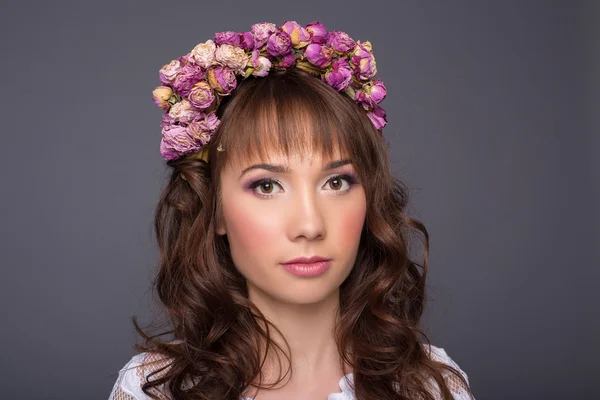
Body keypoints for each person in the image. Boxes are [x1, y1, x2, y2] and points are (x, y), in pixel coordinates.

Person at [109, 20, 476, 400]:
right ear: (214, 208)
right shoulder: (155, 390)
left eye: (336, 183)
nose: (309, 225)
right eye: (267, 186)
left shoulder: (430, 387)